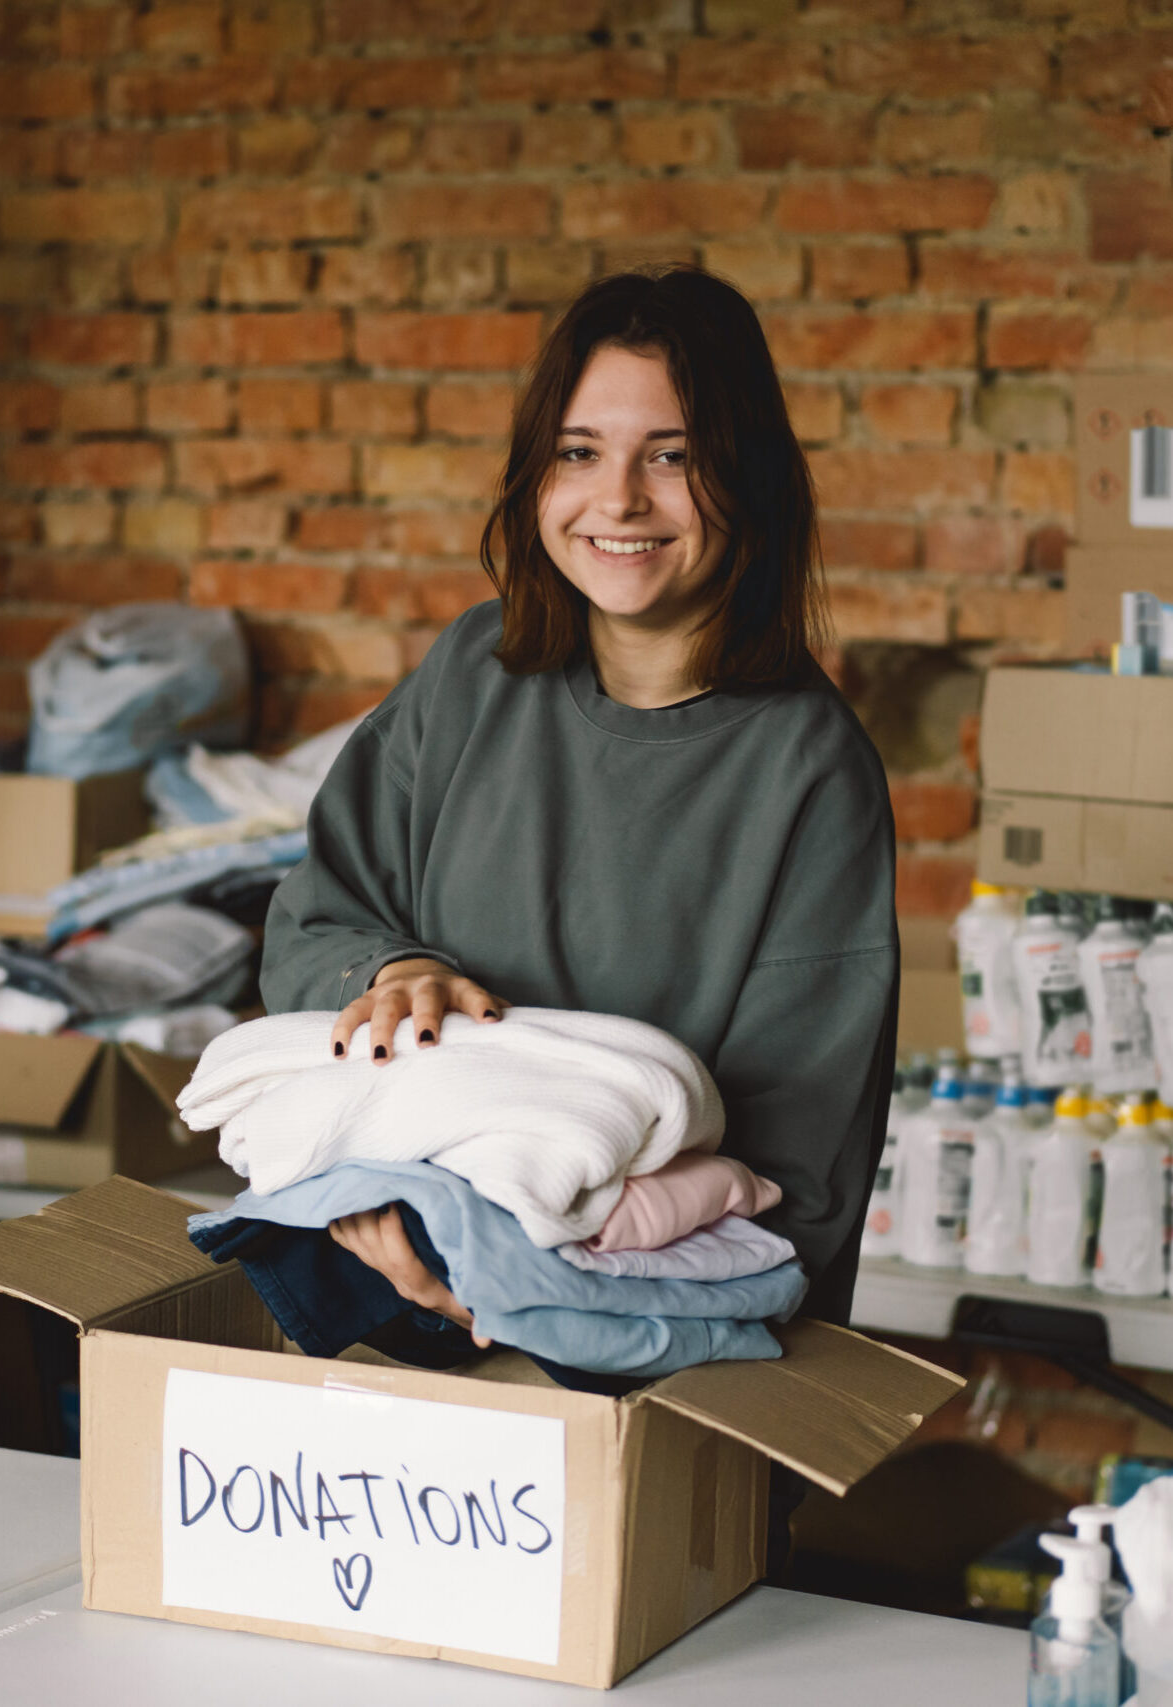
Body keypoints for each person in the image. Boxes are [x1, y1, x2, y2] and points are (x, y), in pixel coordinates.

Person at [259, 267, 899, 1562]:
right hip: (382, 1345)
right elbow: (313, 921)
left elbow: (797, 1173)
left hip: (646, 1398)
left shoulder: (807, 768)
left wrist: (510, 1286)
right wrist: (395, 969)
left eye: (672, 456)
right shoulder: (471, 674)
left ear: (747, 478)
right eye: (578, 451)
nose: (618, 501)